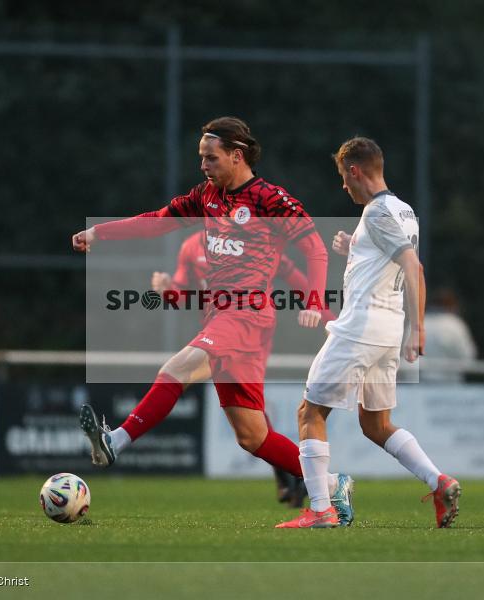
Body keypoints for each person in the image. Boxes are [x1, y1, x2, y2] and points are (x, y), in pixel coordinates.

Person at [72, 117, 352, 518]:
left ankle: (116, 440)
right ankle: (331, 483)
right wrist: (100, 234)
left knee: (178, 367)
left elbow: (315, 250)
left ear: (237, 156)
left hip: (247, 315)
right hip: (220, 318)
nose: (203, 165)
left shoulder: (270, 199)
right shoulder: (207, 196)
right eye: (201, 158)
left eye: (211, 157)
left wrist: (312, 300)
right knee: (253, 436)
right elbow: (156, 222)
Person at [276, 137, 461, 529]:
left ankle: (322, 509)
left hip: (360, 327)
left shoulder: (376, 212)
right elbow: (391, 261)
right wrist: (353, 246)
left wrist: (420, 327)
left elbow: (413, 267)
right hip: (386, 331)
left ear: (355, 171)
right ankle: (439, 480)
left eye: (344, 177)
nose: (343, 186)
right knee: (375, 425)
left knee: (310, 411)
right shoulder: (404, 210)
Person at [151, 230, 339, 507]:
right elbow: (179, 295)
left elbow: (294, 277)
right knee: (251, 412)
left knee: (249, 408)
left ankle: (293, 474)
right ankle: (290, 473)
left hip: (252, 332)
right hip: (216, 331)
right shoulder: (190, 247)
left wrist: (329, 319)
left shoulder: (251, 243)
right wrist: (167, 290)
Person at [422, 287, 477, 382]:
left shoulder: (417, 324)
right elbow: (468, 359)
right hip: (449, 387)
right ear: (452, 305)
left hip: (418, 387)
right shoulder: (455, 325)